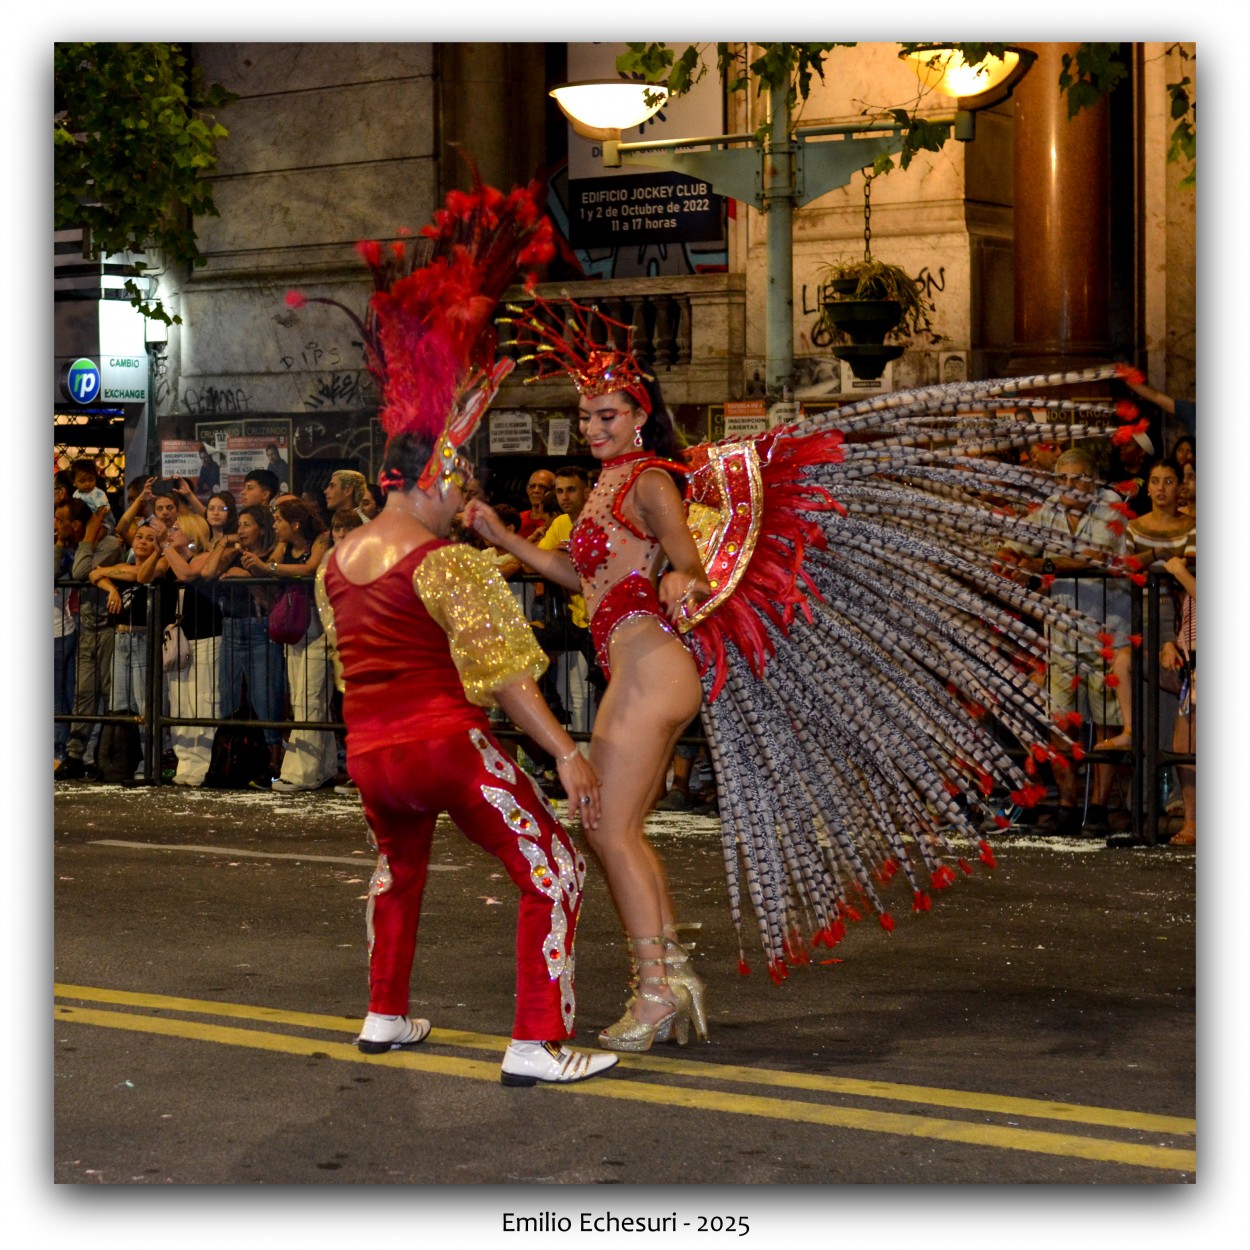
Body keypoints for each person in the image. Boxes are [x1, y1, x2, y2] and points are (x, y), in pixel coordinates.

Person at [468, 372, 712, 1053]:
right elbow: (584, 577)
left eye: (607, 414)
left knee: (607, 829)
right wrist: (501, 535)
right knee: (617, 827)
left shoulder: (650, 482)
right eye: (585, 416)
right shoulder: (609, 484)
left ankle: (659, 990)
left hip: (653, 667)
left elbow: (691, 567)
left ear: (640, 415)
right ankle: (673, 976)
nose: (593, 427)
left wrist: (680, 577)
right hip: (633, 670)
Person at [997, 448, 1130, 836]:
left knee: (1107, 722)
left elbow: (1099, 557)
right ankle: (1068, 807)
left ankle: (1100, 809)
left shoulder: (1113, 507)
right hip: (1061, 632)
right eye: (1063, 479)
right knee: (1059, 720)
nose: (1070, 486)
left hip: (1107, 627)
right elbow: (1017, 544)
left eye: (1078, 479)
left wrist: (1045, 565)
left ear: (1094, 479)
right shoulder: (1049, 508)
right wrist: (1008, 559)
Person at [1096, 457, 1195, 754]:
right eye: (1155, 481)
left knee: (1172, 686)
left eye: (1168, 481)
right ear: (1148, 488)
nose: (1161, 488)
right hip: (1140, 610)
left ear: (1180, 488)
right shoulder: (1135, 526)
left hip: (1178, 612)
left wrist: (1149, 561)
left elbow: (1189, 566)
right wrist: (1157, 554)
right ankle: (1131, 731)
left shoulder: (1193, 525)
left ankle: (1174, 783)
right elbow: (1124, 567)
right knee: (1126, 662)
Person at [200, 503, 288, 778]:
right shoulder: (235, 554)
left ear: (262, 529)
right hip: (231, 628)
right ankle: (231, 756)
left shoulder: (271, 557)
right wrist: (225, 542)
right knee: (228, 698)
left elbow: (271, 602)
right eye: (240, 525)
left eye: (247, 525)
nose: (242, 530)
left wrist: (248, 578)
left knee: (265, 699)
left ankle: (273, 763)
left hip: (259, 629)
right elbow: (207, 573)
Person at [137, 512, 223, 785]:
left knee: (203, 701)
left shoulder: (203, 556)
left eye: (176, 529)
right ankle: (185, 762)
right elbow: (143, 577)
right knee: (179, 702)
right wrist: (158, 551)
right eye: (171, 528)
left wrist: (164, 547)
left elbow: (187, 575)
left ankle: (203, 763)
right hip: (177, 641)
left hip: (205, 636)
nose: (171, 532)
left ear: (192, 533)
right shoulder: (167, 558)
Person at [266, 499, 336, 792]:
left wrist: (267, 566)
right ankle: (326, 765)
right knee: (305, 699)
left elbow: (309, 568)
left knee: (309, 699)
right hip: (295, 629)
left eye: (279, 519)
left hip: (318, 628)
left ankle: (303, 772)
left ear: (295, 523)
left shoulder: (321, 540)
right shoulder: (283, 548)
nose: (274, 525)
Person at [518, 468, 556, 538]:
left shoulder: (555, 521)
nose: (536, 490)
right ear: (527, 489)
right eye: (532, 486)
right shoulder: (518, 519)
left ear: (552, 490)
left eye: (542, 487)